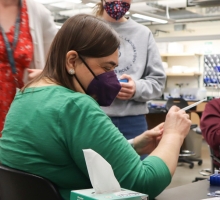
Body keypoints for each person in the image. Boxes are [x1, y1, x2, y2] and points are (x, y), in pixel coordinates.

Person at [0, 14, 191, 200]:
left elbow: (66, 157)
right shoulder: (75, 105)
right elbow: (143, 182)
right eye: (106, 68)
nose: (111, 79)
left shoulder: (25, 95)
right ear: (72, 61)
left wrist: (134, 145)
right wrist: (173, 135)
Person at [94, 0, 166, 142]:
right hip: (94, 118)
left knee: (136, 165)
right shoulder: (88, 30)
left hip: (133, 123)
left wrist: (136, 88)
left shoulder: (143, 34)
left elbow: (158, 83)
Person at [0, 0, 57, 135]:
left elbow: (59, 63)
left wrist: (46, 75)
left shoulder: (39, 13)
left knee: (15, 151)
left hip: (21, 109)